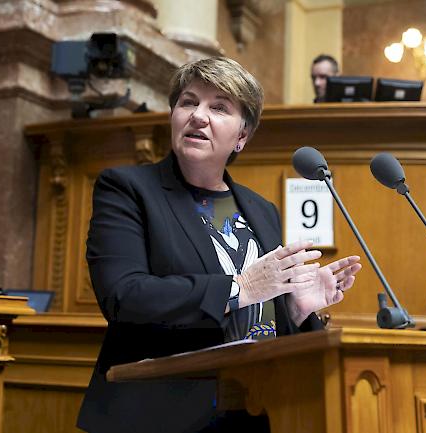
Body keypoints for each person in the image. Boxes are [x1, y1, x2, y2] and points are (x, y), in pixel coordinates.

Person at [77, 56, 362, 433]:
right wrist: (240, 287)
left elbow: (257, 327)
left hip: (252, 410)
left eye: (219, 107)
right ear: (173, 115)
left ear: (242, 137)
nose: (198, 115)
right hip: (158, 412)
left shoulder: (262, 210)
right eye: (188, 102)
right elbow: (124, 296)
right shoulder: (128, 189)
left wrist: (293, 311)